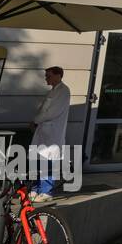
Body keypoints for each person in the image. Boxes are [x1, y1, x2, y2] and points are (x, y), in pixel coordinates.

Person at [29, 66, 71, 203]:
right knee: (39, 161)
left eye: (49, 75)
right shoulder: (53, 91)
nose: (46, 78)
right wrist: (36, 122)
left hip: (52, 133)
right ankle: (36, 188)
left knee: (48, 162)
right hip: (44, 131)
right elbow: (44, 110)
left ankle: (47, 191)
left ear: (58, 75)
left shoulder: (63, 91)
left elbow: (52, 112)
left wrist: (36, 120)